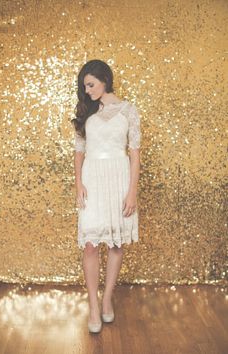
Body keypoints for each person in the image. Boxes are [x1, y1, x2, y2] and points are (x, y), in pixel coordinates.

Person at [71, 59, 141, 333]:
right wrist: (78, 184)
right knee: (90, 243)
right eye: (84, 86)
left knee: (115, 243)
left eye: (90, 84)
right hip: (92, 179)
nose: (87, 91)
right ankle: (92, 304)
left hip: (120, 178)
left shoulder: (129, 111)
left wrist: (132, 192)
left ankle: (107, 299)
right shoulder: (86, 111)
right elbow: (79, 152)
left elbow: (135, 155)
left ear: (104, 80)